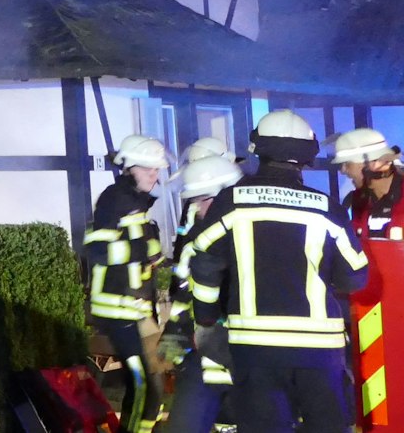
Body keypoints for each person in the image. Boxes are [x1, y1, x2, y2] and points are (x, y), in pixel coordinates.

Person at [187, 110, 369, 433]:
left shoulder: (231, 202)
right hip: (319, 353)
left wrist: (205, 320)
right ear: (306, 157)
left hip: (255, 350)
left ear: (259, 150)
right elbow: (356, 276)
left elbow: (204, 265)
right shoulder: (327, 208)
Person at [332, 127, 404, 430]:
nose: (344, 170)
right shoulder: (356, 202)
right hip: (372, 318)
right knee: (379, 409)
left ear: (375, 164)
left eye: (349, 163)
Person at [85, 133, 170, 432]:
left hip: (137, 311)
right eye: (147, 168)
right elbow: (95, 249)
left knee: (151, 383)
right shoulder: (113, 199)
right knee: (144, 383)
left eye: (157, 169)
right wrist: (142, 250)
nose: (154, 174)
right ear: (129, 167)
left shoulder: (136, 204)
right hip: (118, 311)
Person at [158, 153, 243, 433]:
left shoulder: (252, 237)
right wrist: (173, 334)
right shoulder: (198, 238)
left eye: (203, 200)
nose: (198, 208)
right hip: (204, 359)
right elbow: (185, 292)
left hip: (244, 360)